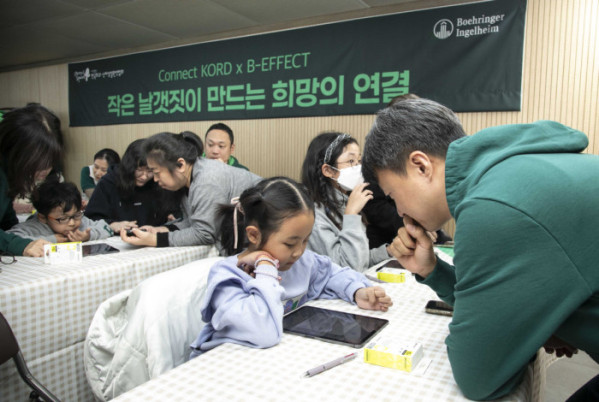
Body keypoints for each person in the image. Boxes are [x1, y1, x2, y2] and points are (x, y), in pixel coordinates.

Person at [361, 98, 599, 400]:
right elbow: (496, 307)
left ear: (421, 166)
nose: (400, 211)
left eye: (393, 195)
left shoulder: (491, 207)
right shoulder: (514, 169)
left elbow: (478, 374)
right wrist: (431, 270)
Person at [189, 177, 392, 357]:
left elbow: (331, 274)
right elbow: (264, 332)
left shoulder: (299, 262)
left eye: (305, 240)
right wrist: (266, 266)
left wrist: (357, 292)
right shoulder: (229, 276)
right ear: (254, 235)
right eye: (290, 243)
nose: (299, 252)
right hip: (224, 365)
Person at [121, 131, 260, 248]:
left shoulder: (208, 178)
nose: (155, 180)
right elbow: (196, 221)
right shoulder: (188, 178)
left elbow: (204, 234)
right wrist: (162, 230)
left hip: (262, 236)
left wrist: (155, 240)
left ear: (180, 165)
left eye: (157, 172)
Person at [300, 132, 393, 272]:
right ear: (328, 170)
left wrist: (389, 251)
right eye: (351, 161)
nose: (358, 167)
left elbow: (360, 259)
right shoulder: (314, 215)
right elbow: (347, 267)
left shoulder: (343, 201)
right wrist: (351, 215)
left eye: (359, 161)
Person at [0, 103, 64, 257]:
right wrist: (19, 244)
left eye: (50, 160)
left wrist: (20, 236)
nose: (47, 168)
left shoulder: (9, 173)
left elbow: (7, 222)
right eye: (39, 160)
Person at [84, 139, 173, 229]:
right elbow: (91, 219)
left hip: (152, 235)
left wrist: (170, 218)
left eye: (150, 171)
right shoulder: (109, 182)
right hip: (117, 236)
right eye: (139, 170)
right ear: (128, 165)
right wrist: (112, 224)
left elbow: (171, 213)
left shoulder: (158, 181)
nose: (144, 177)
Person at [8, 179, 113, 243]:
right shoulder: (34, 227)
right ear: (43, 217)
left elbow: (106, 228)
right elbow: (9, 238)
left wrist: (89, 236)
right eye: (63, 219)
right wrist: (52, 240)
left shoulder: (80, 222)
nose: (72, 223)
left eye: (76, 215)